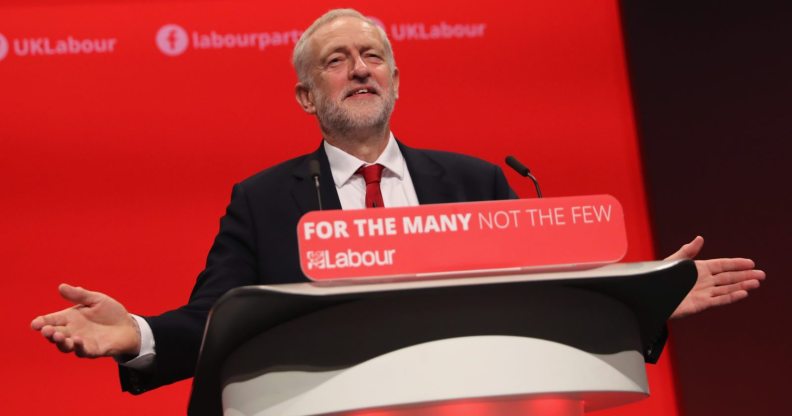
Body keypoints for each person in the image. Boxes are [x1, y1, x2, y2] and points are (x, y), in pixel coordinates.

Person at [30, 9, 765, 394]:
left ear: (395, 80)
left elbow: (541, 298)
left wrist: (645, 297)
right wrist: (139, 334)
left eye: (373, 55)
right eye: (336, 60)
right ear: (305, 95)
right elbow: (219, 318)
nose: (359, 69)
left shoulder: (476, 181)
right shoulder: (262, 200)